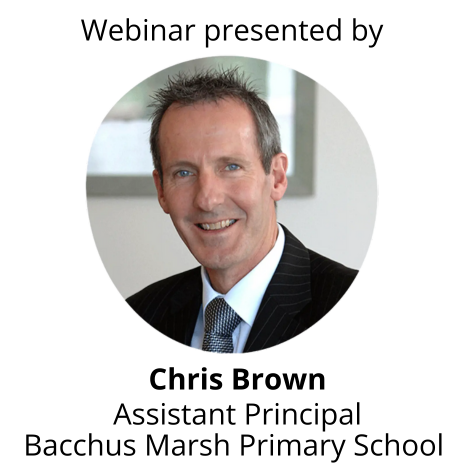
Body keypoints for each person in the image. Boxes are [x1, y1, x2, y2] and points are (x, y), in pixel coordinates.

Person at [126, 67, 358, 354]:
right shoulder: (142, 311)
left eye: (231, 167)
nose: (207, 200)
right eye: (184, 172)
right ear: (161, 190)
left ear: (277, 177)